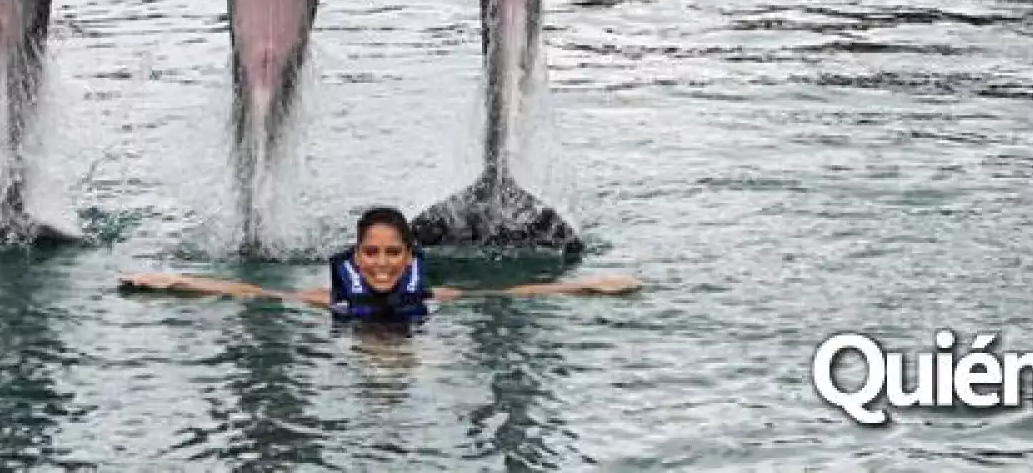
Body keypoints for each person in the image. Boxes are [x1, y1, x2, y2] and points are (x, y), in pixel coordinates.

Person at [120, 207, 642, 321]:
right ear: (356, 255)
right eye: (371, 252)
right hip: (358, 357)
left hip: (416, 357)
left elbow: (514, 295)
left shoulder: (432, 298)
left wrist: (590, 287)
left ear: (410, 257)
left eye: (393, 253)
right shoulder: (334, 299)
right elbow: (249, 293)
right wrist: (173, 282)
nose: (382, 263)